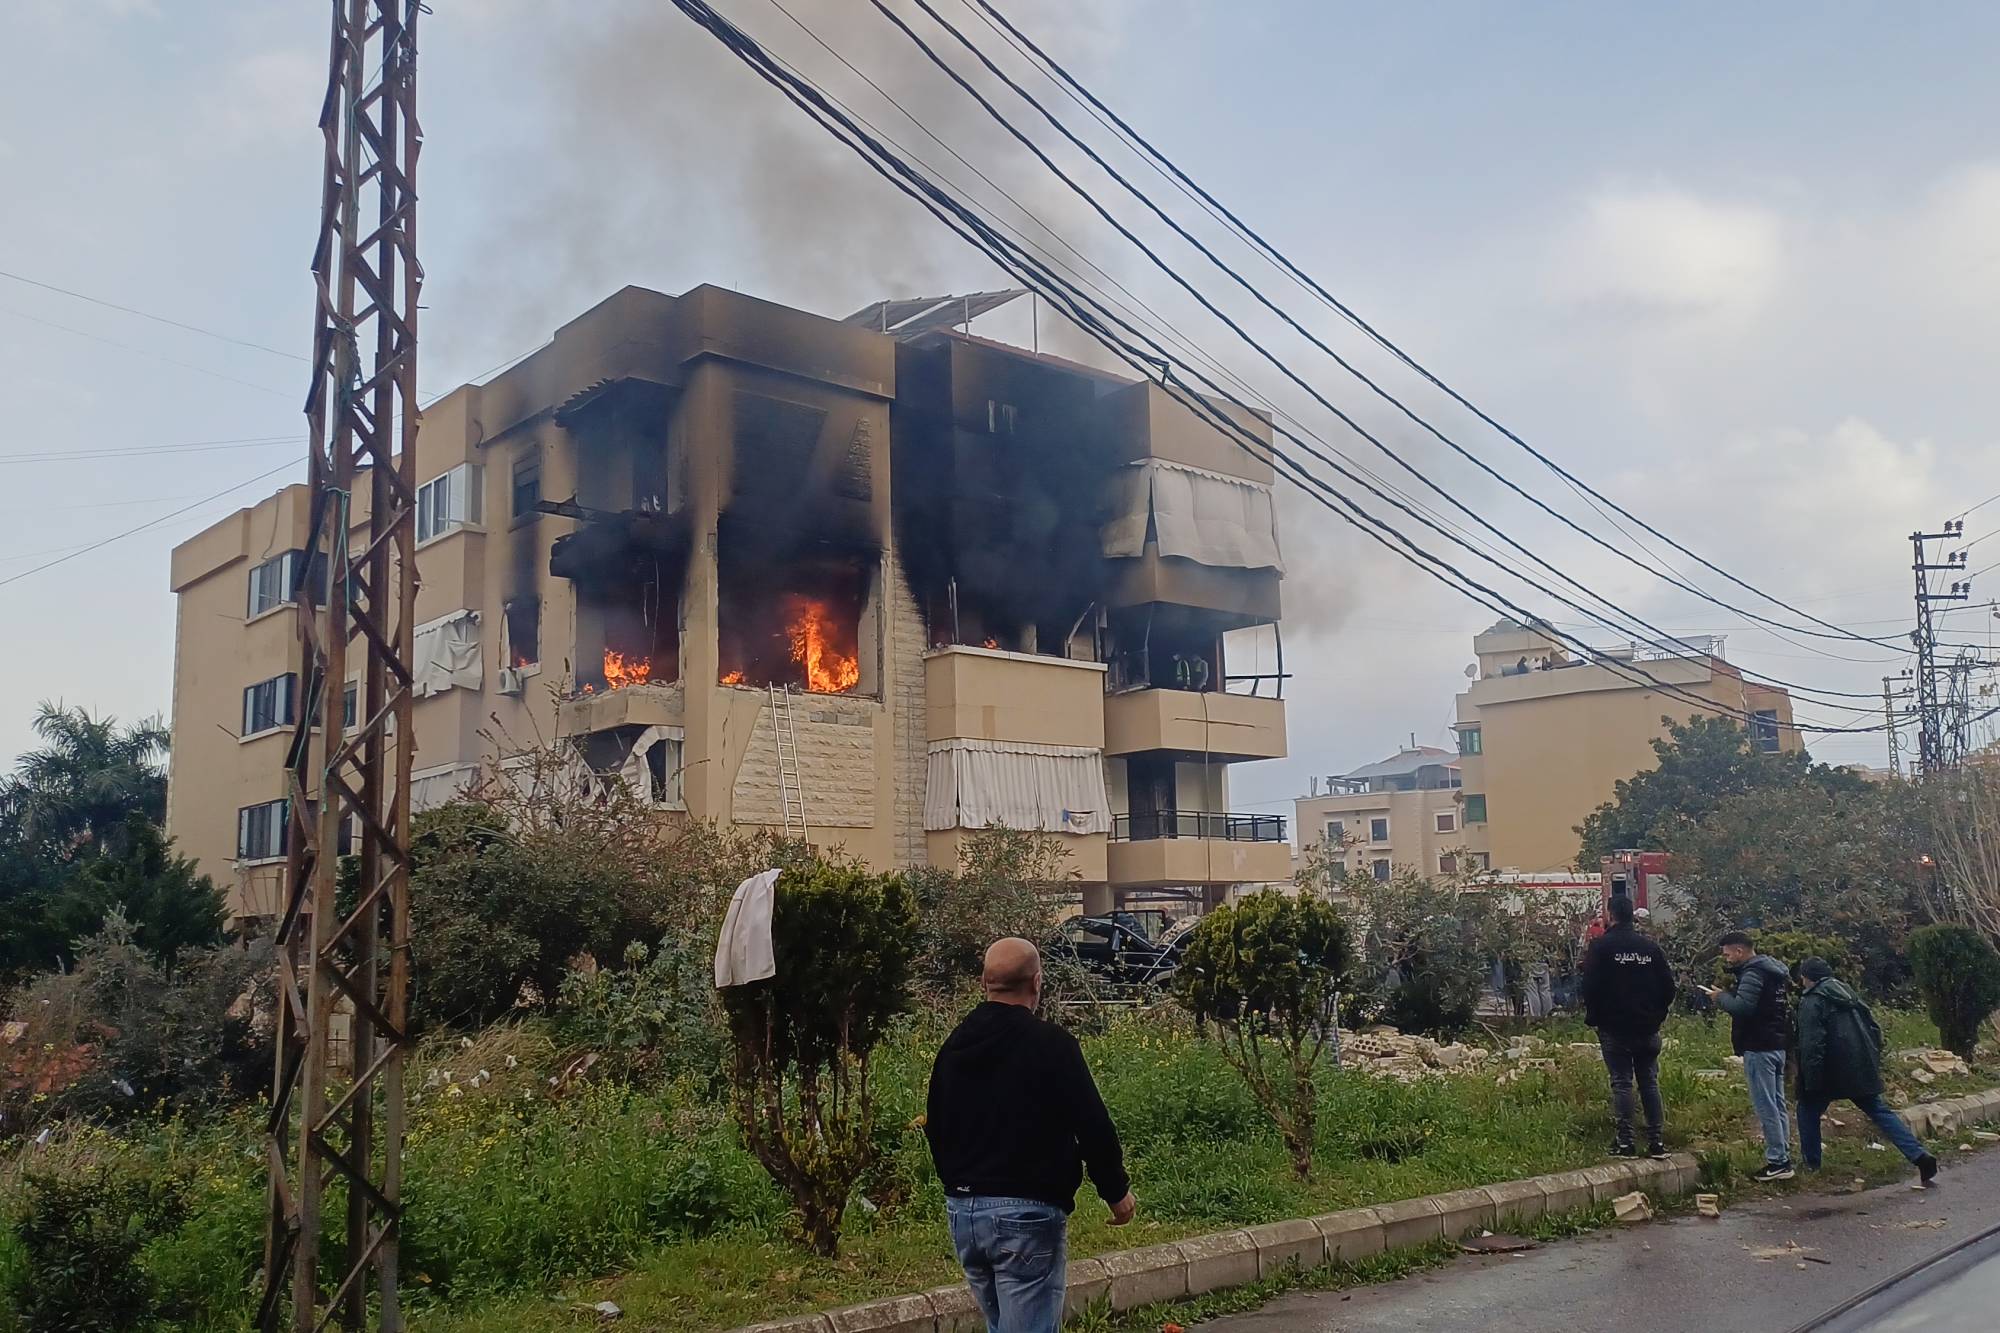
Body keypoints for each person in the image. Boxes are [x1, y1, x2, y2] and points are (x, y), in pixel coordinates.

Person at [925, 938, 1136, 1333]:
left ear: (983, 983)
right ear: (1037, 982)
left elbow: (936, 1124)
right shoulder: (1051, 1044)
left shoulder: (954, 1046)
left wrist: (959, 1185)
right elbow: (1092, 1123)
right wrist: (1116, 1191)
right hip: (1026, 1216)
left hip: (965, 1214)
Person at [1795, 957, 1939, 1186]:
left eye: (1802, 977)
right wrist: (1872, 1057)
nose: (1802, 981)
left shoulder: (1812, 1001)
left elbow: (1812, 1044)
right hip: (1860, 1065)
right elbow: (1874, 1028)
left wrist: (1810, 1079)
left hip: (1829, 1070)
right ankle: (1919, 1155)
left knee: (1807, 1110)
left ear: (1808, 978)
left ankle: (1811, 1164)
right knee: (1879, 1110)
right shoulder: (1849, 994)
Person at [1581, 894, 1676, 1158]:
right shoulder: (1650, 948)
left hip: (1615, 1028)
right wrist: (1656, 1016)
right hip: (1648, 1028)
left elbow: (1589, 987)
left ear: (1610, 915)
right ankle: (1657, 1142)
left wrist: (1596, 1017)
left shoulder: (1601, 947)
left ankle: (1626, 1143)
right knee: (1649, 1082)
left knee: (1622, 1083)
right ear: (1632, 915)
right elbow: (1669, 987)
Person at [1699, 931, 1796, 1181]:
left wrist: (1720, 997)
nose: (1727, 958)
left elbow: (1743, 1008)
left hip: (1759, 1046)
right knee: (1777, 1103)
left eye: (1727, 954)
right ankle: (1783, 1156)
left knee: (1766, 1105)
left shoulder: (1753, 973)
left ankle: (1778, 1162)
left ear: (1739, 951)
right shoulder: (1774, 971)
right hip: (1777, 1044)